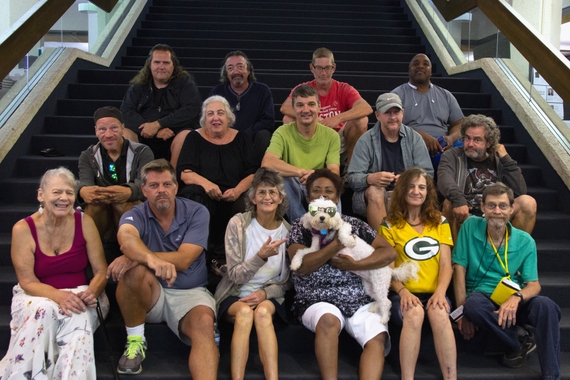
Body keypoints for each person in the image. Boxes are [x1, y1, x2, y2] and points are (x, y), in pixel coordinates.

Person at [106, 159, 218, 377]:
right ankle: (136, 341)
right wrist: (150, 261)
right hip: (150, 293)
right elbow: (126, 238)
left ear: (176, 187)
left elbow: (185, 258)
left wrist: (137, 257)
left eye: (167, 185)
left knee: (204, 323)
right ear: (144, 190)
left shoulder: (197, 212)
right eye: (154, 186)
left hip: (190, 293)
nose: (161, 191)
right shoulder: (134, 214)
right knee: (133, 272)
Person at [0, 167, 109, 379]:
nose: (64, 198)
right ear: (41, 195)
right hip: (37, 294)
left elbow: (101, 270)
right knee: (44, 311)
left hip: (82, 291)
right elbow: (27, 281)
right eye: (57, 192)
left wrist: (92, 292)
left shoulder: (84, 221)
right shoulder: (23, 229)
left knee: (78, 315)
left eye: (69, 192)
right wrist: (59, 296)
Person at [288, 169, 396, 380]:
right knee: (328, 319)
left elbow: (389, 252)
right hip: (316, 298)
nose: (322, 195)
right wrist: (335, 245)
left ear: (337, 198)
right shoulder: (300, 227)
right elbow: (300, 266)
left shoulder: (354, 224)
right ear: (308, 197)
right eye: (316, 191)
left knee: (378, 337)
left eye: (329, 191)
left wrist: (356, 264)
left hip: (358, 297)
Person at [453, 182, 561, 378]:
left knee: (547, 306)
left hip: (514, 298)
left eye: (503, 206)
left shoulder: (525, 240)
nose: (497, 211)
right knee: (473, 306)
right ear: (483, 207)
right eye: (491, 205)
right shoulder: (470, 226)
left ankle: (552, 375)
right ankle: (518, 341)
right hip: (483, 298)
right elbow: (459, 268)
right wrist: (461, 312)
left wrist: (517, 298)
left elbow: (534, 285)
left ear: (512, 209)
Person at [379, 167, 456, 380]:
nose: (416, 191)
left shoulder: (440, 222)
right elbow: (386, 268)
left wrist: (440, 293)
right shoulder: (389, 225)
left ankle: (451, 377)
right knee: (414, 313)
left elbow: (446, 265)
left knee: (440, 313)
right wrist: (402, 292)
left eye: (421, 187)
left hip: (434, 292)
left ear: (428, 192)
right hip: (401, 294)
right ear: (402, 191)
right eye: (411, 187)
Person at [214, 168, 290, 380]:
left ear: (280, 197)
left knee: (263, 312)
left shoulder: (288, 231)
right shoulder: (238, 224)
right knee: (245, 313)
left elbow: (287, 281)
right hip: (235, 293)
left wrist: (266, 294)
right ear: (253, 197)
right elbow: (235, 275)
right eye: (262, 192)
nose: (267, 197)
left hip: (269, 296)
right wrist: (260, 257)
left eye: (272, 192)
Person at [177, 95, 258, 265]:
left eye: (220, 113)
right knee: (193, 197)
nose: (215, 118)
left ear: (229, 117)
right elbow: (185, 172)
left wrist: (237, 190)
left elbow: (253, 173)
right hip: (204, 193)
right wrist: (207, 184)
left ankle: (221, 257)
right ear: (204, 119)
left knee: (245, 204)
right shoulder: (194, 138)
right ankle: (197, 254)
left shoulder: (241, 138)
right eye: (210, 114)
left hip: (233, 194)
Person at [437, 114, 537, 242]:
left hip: (495, 211)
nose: (470, 144)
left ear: (489, 143)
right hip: (465, 212)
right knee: (449, 203)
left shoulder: (499, 159)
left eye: (477, 140)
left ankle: (510, 255)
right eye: (467, 138)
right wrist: (458, 200)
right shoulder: (452, 155)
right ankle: (456, 259)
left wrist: (506, 159)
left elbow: (519, 191)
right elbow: (444, 180)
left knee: (528, 202)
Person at [347, 93, 433, 231]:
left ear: (402, 113)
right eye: (387, 112)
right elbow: (352, 178)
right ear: (377, 115)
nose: (392, 117)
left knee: (414, 189)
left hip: (404, 193)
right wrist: (370, 178)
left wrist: (408, 179)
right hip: (373, 198)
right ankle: (384, 244)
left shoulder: (414, 138)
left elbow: (428, 174)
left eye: (396, 112)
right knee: (376, 191)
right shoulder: (365, 140)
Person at [279, 47, 372, 166]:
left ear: (334, 68)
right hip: (311, 135)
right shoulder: (304, 88)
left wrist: (337, 118)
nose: (323, 73)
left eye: (327, 68)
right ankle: (297, 164)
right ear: (312, 68)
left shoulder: (343, 88)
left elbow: (366, 108)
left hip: (339, 137)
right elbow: (285, 107)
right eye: (319, 68)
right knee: (287, 119)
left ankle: (351, 168)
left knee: (362, 120)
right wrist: (313, 119)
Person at [262, 85, 340, 222]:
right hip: (294, 185)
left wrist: (314, 176)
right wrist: (301, 172)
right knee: (284, 178)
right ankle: (300, 226)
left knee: (332, 184)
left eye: (311, 104)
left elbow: (334, 171)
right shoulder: (282, 132)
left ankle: (333, 228)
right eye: (300, 105)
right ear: (293, 108)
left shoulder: (331, 135)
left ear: (319, 107)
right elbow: (267, 163)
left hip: (318, 184)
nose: (306, 110)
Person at [78, 106, 154, 240]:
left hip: (130, 207)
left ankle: (133, 250)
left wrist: (128, 192)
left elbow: (146, 184)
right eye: (102, 129)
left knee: (124, 203)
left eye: (114, 128)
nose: (108, 135)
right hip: (103, 211)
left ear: (122, 128)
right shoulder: (87, 156)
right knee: (94, 205)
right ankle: (92, 252)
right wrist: (83, 191)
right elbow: (84, 183)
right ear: (96, 131)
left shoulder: (142, 152)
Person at [120, 44, 202, 165]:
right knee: (124, 133)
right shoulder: (139, 85)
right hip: (144, 136)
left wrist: (159, 124)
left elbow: (191, 109)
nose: (161, 66)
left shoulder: (185, 83)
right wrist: (154, 130)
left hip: (174, 135)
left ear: (173, 65)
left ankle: (173, 179)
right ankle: (135, 179)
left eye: (166, 63)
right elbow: (126, 111)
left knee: (186, 135)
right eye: (157, 62)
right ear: (150, 65)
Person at [392, 53, 464, 160]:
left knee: (471, 150)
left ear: (431, 72)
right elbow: (390, 125)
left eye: (425, 64)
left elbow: (459, 123)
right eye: (416, 64)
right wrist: (419, 136)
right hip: (410, 141)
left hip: (442, 143)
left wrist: (451, 138)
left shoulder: (445, 95)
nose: (420, 66)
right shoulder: (397, 95)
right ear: (409, 70)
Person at [209, 51, 275, 164]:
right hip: (225, 140)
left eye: (240, 66)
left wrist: (244, 135)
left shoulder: (262, 90)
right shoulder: (217, 92)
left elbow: (267, 121)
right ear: (226, 73)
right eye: (230, 68)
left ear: (248, 70)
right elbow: (209, 120)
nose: (236, 71)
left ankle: (259, 175)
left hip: (252, 140)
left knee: (264, 135)